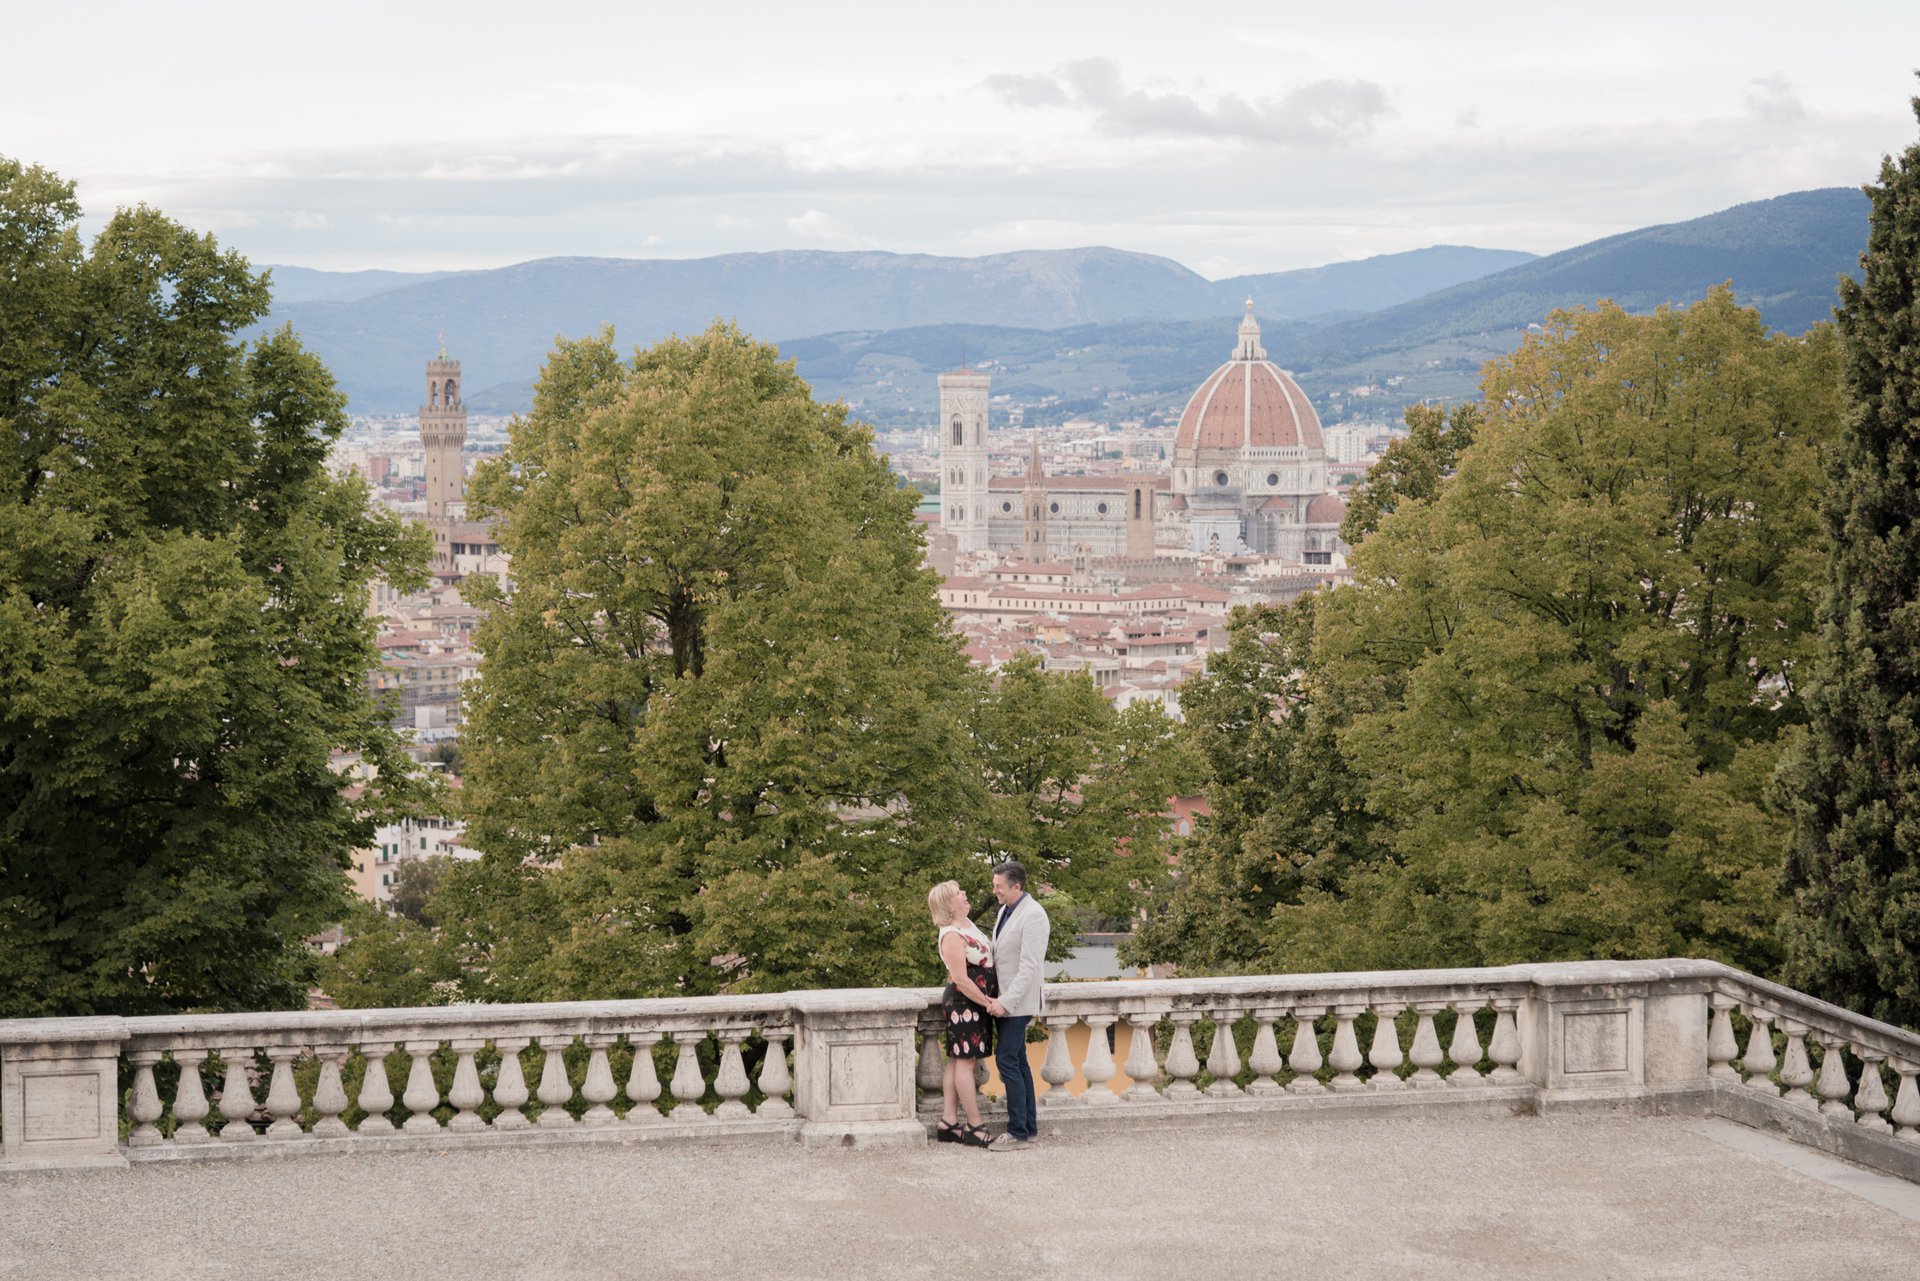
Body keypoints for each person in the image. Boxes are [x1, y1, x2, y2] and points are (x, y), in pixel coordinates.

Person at [985, 859, 1049, 1151]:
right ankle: (1028, 1127)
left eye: (999, 886)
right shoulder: (1005, 911)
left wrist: (1006, 1003)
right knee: (1019, 1062)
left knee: (1007, 1061)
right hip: (1006, 999)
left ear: (1016, 886)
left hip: (1018, 1003)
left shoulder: (1034, 915)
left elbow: (1029, 968)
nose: (994, 890)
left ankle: (1018, 1132)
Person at [928, 879, 997, 1149]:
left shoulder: (967, 925)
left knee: (958, 1062)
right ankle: (975, 1126)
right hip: (964, 1003)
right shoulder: (951, 935)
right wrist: (988, 1001)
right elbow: (961, 979)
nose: (965, 894)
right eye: (959, 893)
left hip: (972, 1003)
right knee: (966, 1063)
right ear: (949, 904)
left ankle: (948, 1123)